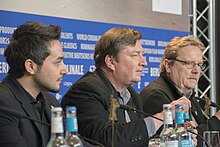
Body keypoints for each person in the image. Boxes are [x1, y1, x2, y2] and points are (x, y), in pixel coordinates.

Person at [61, 28, 191, 147]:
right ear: (111, 62)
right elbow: (106, 139)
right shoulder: (86, 91)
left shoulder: (131, 95)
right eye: (135, 55)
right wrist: (163, 116)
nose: (144, 63)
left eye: (143, 54)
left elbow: (133, 138)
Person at [140, 36, 220, 146]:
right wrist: (217, 120)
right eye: (189, 63)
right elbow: (180, 142)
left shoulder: (188, 96)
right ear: (168, 65)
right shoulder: (155, 96)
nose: (196, 70)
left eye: (199, 65)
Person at [0, 21, 67, 147]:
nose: (65, 70)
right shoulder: (3, 105)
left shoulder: (50, 100)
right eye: (57, 62)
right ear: (31, 66)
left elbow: (69, 142)